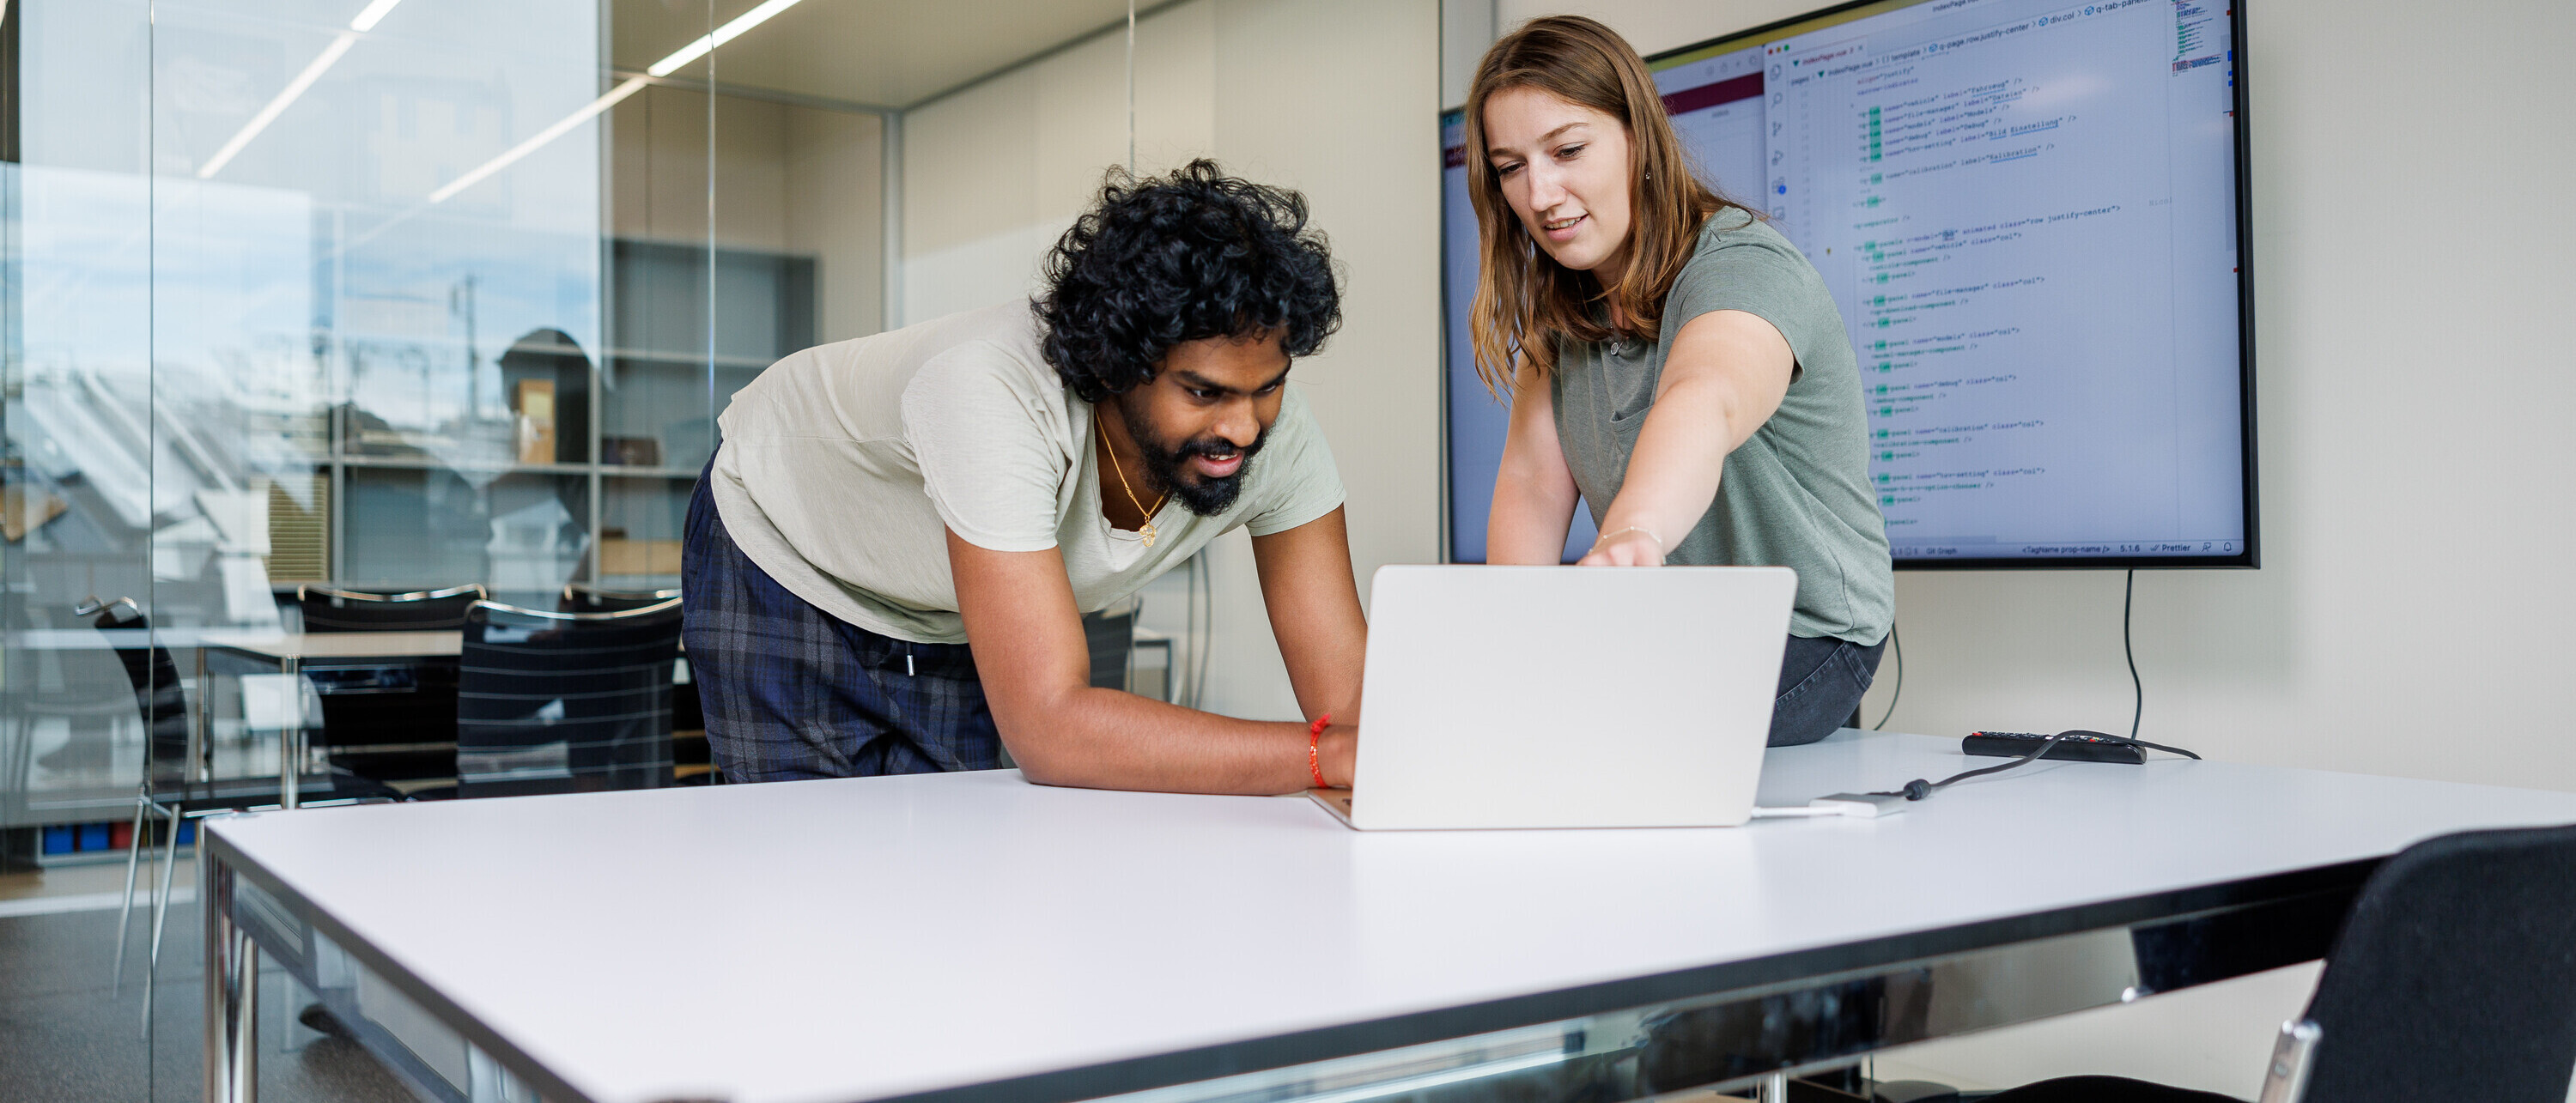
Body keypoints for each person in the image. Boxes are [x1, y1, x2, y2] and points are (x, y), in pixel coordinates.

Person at [683, 161, 1364, 792]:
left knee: (959, 868)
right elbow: (1051, 728)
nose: (1245, 428)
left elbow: (1353, 705)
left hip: (942, 611)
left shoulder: (1275, 433)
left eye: (1268, 387)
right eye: (1204, 393)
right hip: (785, 553)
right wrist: (1319, 755)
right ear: (1116, 366)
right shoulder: (990, 391)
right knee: (814, 873)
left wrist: (1375, 749)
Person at [1465, 16, 1894, 746]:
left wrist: (1635, 530)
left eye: (1567, 150)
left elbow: (1706, 398)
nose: (1539, 194)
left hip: (1813, 635)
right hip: (1675, 627)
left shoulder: (1742, 266)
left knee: (1595, 730)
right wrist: (1506, 650)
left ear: (1639, 136)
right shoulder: (1559, 317)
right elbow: (1534, 483)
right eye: (1510, 167)